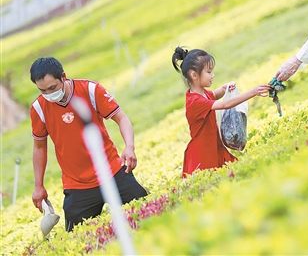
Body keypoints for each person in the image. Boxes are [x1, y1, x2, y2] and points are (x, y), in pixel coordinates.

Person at [29, 57, 148, 232]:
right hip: (77, 185)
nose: (48, 94)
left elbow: (121, 118)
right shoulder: (39, 108)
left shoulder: (90, 90)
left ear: (63, 76)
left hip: (112, 171)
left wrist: (129, 147)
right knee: (75, 237)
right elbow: (39, 147)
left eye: (52, 88)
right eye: (43, 91)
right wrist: (39, 186)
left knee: (147, 213)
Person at [172, 47, 270, 177]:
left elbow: (214, 95)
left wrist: (224, 89)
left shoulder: (201, 93)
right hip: (203, 154)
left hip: (214, 147)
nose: (213, 75)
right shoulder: (195, 101)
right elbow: (224, 104)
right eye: (209, 72)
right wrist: (253, 92)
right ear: (194, 75)